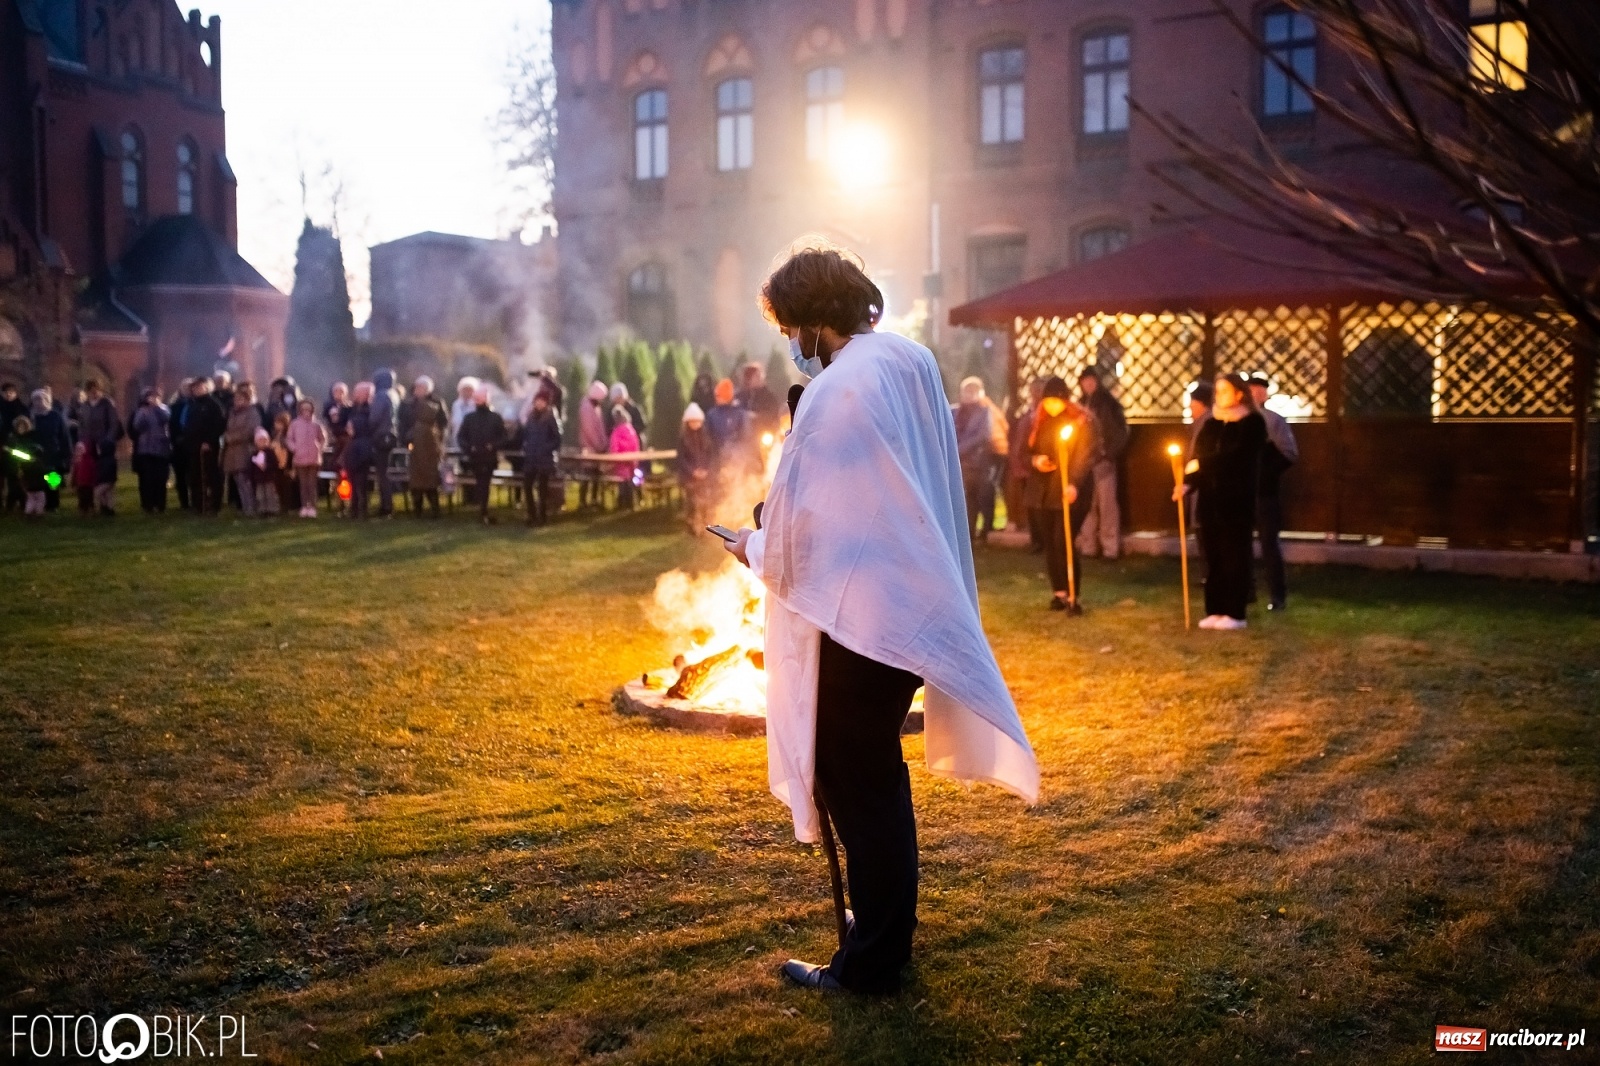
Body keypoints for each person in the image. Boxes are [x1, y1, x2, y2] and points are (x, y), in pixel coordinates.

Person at [724, 245, 1039, 996]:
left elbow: (808, 531)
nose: (791, 345)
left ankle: (871, 964)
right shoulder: (908, 361)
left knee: (856, 779)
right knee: (873, 778)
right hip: (903, 604)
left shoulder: (838, 391)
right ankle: (884, 940)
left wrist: (752, 543)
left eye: (789, 326)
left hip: (861, 620)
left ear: (809, 318)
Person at [1178, 373, 1266, 630]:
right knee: (1213, 555)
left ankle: (1235, 611)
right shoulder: (1211, 425)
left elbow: (1238, 457)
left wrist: (1202, 465)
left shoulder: (1252, 424)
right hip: (1210, 500)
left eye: (1225, 390)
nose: (1220, 396)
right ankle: (1215, 609)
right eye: (1217, 391)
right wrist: (1187, 482)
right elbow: (1198, 456)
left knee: (1234, 555)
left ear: (1239, 393)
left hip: (1236, 500)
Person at [1025, 377, 1100, 614]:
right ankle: (1058, 592)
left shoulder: (1080, 422)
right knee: (1049, 541)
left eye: (1056, 401)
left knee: (1063, 541)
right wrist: (1036, 460)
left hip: (1067, 489)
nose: (1051, 406)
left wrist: (1074, 482)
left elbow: (1084, 454)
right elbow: (1025, 452)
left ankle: (1072, 594)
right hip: (1043, 491)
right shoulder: (1040, 422)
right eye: (1047, 401)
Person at [1247, 374, 1299, 612]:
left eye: (1259, 390)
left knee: (1269, 543)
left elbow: (1288, 453)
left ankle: (1277, 595)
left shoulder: (1274, 421)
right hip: (1241, 492)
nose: (1255, 394)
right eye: (1251, 390)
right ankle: (1246, 592)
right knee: (1241, 543)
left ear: (1265, 394)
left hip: (1265, 493)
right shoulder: (1239, 420)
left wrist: (1265, 473)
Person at [1075, 368, 1128, 560]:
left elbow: (1120, 432)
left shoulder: (1109, 404)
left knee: (1107, 505)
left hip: (1103, 461)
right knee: (1087, 505)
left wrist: (1108, 453)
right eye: (1085, 381)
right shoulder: (1079, 405)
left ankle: (1110, 548)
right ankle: (1088, 546)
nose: (1088, 384)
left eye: (1091, 380)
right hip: (1084, 463)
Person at [953, 377, 1008, 544]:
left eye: (973, 391)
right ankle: (968, 533)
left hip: (979, 462)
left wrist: (960, 449)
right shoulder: (954, 412)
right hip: (962, 464)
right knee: (967, 500)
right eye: (966, 391)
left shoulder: (985, 412)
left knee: (983, 496)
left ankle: (985, 531)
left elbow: (983, 435)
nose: (969, 394)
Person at [1006, 378, 1046, 550]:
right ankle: (1035, 539)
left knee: (1037, 506)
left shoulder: (1041, 414)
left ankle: (1041, 540)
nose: (1032, 395)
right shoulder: (1028, 413)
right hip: (1022, 465)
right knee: (1030, 505)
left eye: (1035, 392)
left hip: (1033, 467)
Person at [401, 375, 449, 518]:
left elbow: (443, 423)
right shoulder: (408, 404)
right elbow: (403, 423)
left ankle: (435, 510)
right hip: (414, 445)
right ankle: (417, 511)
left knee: (431, 478)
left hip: (431, 446)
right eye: (417, 387)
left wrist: (439, 440)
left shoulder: (437, 402)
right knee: (415, 479)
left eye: (421, 387)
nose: (418, 390)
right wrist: (406, 438)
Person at [458, 384, 505, 525]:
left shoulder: (494, 417)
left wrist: (493, 445)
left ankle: (483, 510)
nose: (477, 401)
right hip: (475, 457)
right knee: (481, 483)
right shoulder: (470, 418)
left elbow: (503, 437)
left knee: (484, 483)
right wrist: (469, 447)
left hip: (488, 457)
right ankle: (482, 510)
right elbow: (461, 437)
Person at [79, 379, 123, 516]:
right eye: (91, 391)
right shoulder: (85, 406)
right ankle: (102, 505)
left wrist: (107, 441)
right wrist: (82, 442)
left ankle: (109, 506)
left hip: (105, 444)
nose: (94, 393)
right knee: (96, 475)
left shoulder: (107, 404)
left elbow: (113, 424)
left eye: (96, 390)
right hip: (90, 445)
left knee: (107, 477)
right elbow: (82, 426)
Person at [520, 389, 562, 526]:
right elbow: (526, 434)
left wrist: (545, 448)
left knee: (542, 489)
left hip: (544, 459)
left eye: (541, 401)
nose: (538, 403)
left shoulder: (551, 417)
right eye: (537, 400)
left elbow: (557, 439)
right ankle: (531, 514)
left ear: (546, 402)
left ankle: (542, 516)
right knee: (527, 486)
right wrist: (526, 446)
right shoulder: (531, 417)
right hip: (531, 457)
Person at [221, 382, 262, 516]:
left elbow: (250, 431)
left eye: (240, 399)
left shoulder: (252, 412)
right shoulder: (232, 413)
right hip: (232, 452)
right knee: (238, 481)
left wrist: (231, 438)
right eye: (236, 399)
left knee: (245, 481)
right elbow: (228, 428)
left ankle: (251, 507)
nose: (237, 401)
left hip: (245, 450)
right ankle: (245, 507)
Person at [27, 389, 71, 513]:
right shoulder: (31, 417)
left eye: (40, 399)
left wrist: (66, 453)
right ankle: (41, 503)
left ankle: (53, 504)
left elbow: (64, 435)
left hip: (53, 452)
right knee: (39, 480)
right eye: (35, 400)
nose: (37, 402)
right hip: (37, 454)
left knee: (53, 480)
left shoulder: (55, 416)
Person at [130, 387, 171, 514]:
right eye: (150, 397)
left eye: (156, 397)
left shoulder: (164, 408)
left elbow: (166, 418)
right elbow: (137, 426)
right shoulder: (142, 410)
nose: (153, 399)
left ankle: (160, 504)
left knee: (160, 478)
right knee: (148, 478)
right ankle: (149, 504)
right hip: (146, 449)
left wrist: (157, 407)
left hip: (161, 448)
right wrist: (145, 412)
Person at [676, 402, 716, 533]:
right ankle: (691, 526)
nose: (695, 424)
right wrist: (692, 471)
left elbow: (710, 455)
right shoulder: (683, 438)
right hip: (690, 476)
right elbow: (681, 458)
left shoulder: (705, 437)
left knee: (705, 501)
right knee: (692, 502)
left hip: (704, 474)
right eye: (692, 422)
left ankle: (706, 525)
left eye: (697, 421)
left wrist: (706, 470)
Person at [286, 399, 327, 518]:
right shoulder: (295, 424)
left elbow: (323, 438)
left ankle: (313, 507)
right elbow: (289, 439)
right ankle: (304, 506)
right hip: (300, 458)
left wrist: (320, 448)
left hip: (314, 458)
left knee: (312, 484)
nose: (306, 412)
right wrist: (295, 448)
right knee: (303, 484)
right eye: (303, 409)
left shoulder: (317, 424)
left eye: (308, 409)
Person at [343, 382, 377, 520]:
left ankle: (363, 510)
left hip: (364, 447)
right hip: (353, 447)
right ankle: (354, 508)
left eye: (358, 392)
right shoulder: (353, 409)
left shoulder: (371, 409)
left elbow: (370, 426)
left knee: (361, 481)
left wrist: (353, 427)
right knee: (352, 480)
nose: (355, 395)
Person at [370, 368, 400, 517]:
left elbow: (374, 418)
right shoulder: (394, 395)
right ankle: (387, 504)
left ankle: (386, 506)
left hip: (381, 436)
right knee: (385, 472)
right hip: (391, 435)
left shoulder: (381, 396)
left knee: (382, 474)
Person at [577, 380, 610, 508]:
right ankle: (583, 500)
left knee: (596, 475)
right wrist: (599, 445)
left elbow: (600, 427)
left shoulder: (596, 407)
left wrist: (604, 443)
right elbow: (589, 429)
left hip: (597, 449)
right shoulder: (586, 408)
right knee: (587, 474)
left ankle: (595, 499)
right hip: (589, 448)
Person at [607, 402, 641, 510]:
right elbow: (636, 445)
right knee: (630, 482)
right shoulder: (631, 430)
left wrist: (613, 461)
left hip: (620, 464)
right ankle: (630, 503)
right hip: (631, 462)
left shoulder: (616, 432)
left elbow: (614, 448)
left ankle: (622, 503)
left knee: (622, 483)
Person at [0, 381, 27, 511]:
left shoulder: (21, 408)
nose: (9, 394)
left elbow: (25, 426)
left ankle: (16, 501)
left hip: (16, 445)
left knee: (14, 475)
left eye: (11, 392)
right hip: (1, 444)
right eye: (6, 392)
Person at [736, 362, 783, 436]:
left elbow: (773, 413)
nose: (760, 378)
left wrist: (757, 416)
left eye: (760, 376)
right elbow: (735, 412)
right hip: (744, 437)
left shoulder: (769, 396)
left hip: (764, 432)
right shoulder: (740, 396)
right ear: (748, 378)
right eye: (757, 376)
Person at [248, 426, 282, 516]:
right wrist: (252, 477)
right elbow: (252, 467)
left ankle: (272, 509)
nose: (262, 442)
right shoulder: (254, 454)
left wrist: (267, 466)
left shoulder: (270, 452)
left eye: (264, 440)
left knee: (270, 494)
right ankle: (262, 510)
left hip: (269, 477)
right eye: (260, 440)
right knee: (260, 495)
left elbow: (275, 464)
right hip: (259, 478)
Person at [448, 376, 480, 451]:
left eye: (470, 390)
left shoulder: (477, 405)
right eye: (464, 390)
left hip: (472, 440)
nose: (467, 392)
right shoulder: (456, 404)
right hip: (457, 438)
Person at [71, 440, 96, 514]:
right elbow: (74, 473)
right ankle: (83, 510)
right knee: (82, 497)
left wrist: (94, 480)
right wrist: (73, 482)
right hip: (81, 483)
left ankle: (89, 509)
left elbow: (93, 471)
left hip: (87, 483)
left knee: (88, 497)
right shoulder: (77, 461)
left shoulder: (88, 460)